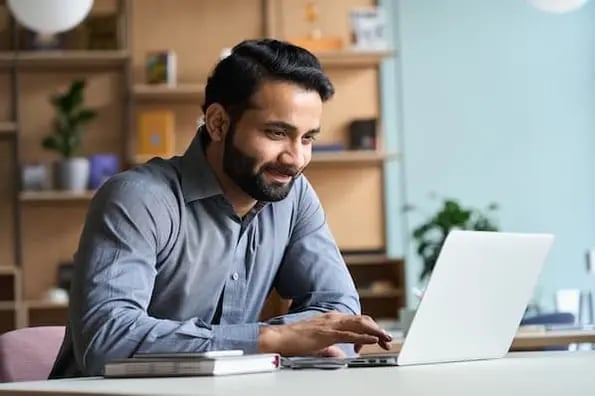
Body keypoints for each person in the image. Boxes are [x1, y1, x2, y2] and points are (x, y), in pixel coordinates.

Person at [49, 38, 392, 378]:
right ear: (217, 123)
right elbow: (108, 341)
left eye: (307, 139)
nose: (296, 159)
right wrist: (270, 339)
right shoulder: (137, 199)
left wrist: (287, 340)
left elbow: (339, 311)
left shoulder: (294, 195)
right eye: (276, 133)